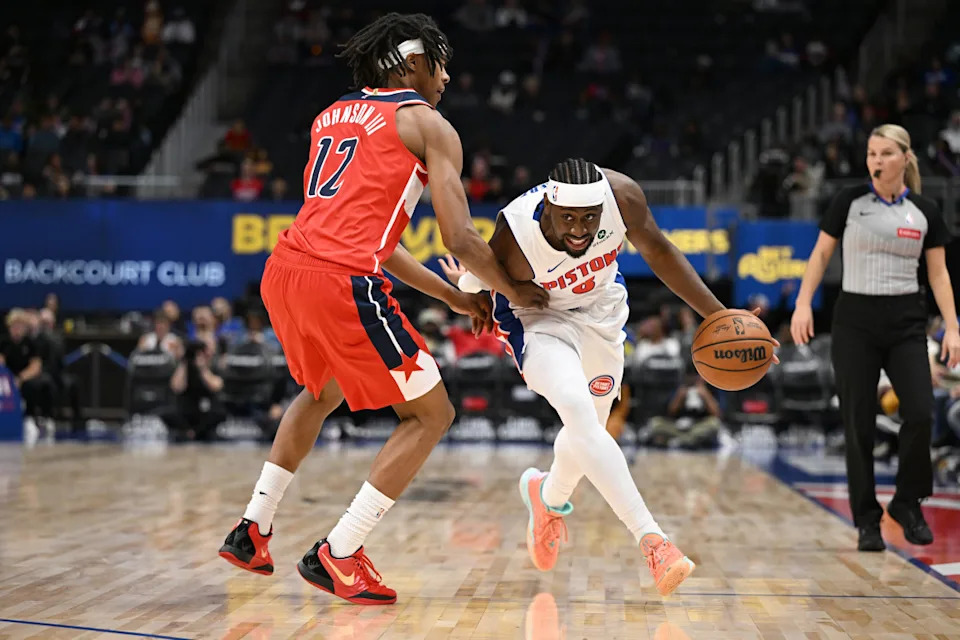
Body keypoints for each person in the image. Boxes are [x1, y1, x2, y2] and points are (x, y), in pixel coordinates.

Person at [218, 13, 547, 606]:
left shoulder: (332, 115)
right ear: (415, 62)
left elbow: (379, 239)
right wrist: (515, 293)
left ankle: (251, 530)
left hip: (287, 270)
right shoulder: (428, 124)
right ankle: (339, 553)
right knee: (431, 415)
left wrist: (455, 297)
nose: (447, 77)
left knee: (321, 393)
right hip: (341, 281)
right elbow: (459, 239)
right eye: (442, 64)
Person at [440, 158, 778, 596]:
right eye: (568, 220)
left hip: (602, 315)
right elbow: (476, 272)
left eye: (589, 219)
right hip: (539, 319)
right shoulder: (517, 232)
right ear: (548, 208)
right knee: (578, 413)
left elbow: (660, 252)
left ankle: (548, 497)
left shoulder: (623, 198)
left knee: (589, 434)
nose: (580, 230)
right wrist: (481, 289)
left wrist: (721, 316)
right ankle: (653, 541)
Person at [790, 124, 960, 552]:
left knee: (920, 412)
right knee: (859, 424)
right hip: (855, 321)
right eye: (871, 153)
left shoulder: (924, 210)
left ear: (905, 158)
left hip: (906, 321)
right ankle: (867, 520)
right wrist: (803, 303)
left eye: (885, 153)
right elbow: (821, 254)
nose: (876, 161)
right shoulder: (849, 200)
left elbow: (938, 274)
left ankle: (907, 502)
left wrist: (953, 325)